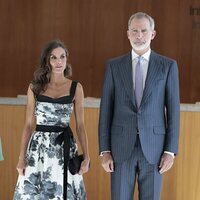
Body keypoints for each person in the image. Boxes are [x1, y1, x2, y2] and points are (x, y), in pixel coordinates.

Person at [98, 12, 180, 200]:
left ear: (153, 34)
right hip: (120, 148)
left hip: (155, 150)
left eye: (144, 30)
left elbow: (174, 111)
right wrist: (105, 150)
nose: (139, 35)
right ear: (128, 34)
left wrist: (170, 151)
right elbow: (106, 112)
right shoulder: (113, 66)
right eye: (134, 31)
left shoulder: (167, 66)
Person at [13, 39, 90, 200]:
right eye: (53, 57)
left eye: (62, 56)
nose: (58, 61)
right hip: (38, 149)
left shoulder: (77, 88)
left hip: (65, 148)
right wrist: (21, 158)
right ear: (47, 61)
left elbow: (81, 125)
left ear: (67, 58)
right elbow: (28, 125)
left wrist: (87, 157)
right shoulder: (34, 87)